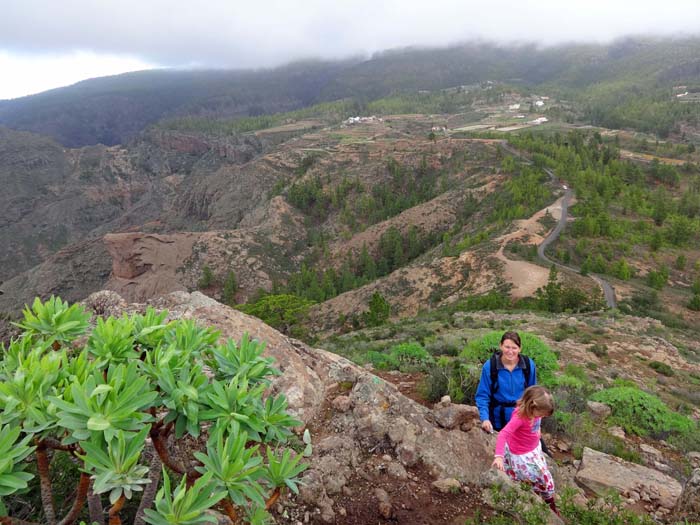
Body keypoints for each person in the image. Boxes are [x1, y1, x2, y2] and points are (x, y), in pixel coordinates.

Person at [492, 386, 559, 516]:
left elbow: (536, 422)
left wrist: (537, 432)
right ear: (531, 406)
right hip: (523, 454)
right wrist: (499, 456)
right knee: (545, 481)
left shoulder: (534, 413)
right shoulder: (519, 417)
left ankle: (548, 503)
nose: (543, 417)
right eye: (542, 414)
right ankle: (549, 506)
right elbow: (503, 434)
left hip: (533, 449)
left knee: (538, 478)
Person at [475, 331, 536, 433]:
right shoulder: (490, 366)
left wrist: (534, 418)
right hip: (497, 420)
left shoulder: (528, 365)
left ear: (520, 348)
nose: (510, 351)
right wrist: (485, 418)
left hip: (521, 418)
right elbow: (482, 396)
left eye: (514, 348)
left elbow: (533, 393)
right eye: (507, 347)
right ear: (501, 346)